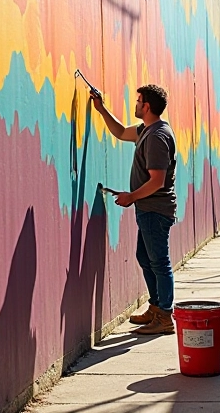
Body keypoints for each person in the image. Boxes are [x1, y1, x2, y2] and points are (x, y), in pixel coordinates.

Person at [91, 84, 178, 335]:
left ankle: (164, 316)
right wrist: (101, 109)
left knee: (159, 262)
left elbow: (157, 181)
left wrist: (131, 197)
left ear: (147, 106)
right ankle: (156, 306)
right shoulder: (145, 131)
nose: (136, 104)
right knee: (145, 257)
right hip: (148, 208)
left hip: (155, 209)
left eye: (138, 101)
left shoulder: (157, 137)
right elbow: (120, 132)